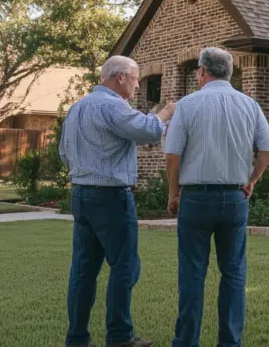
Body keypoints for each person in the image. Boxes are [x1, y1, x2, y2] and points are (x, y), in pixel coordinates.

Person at [60, 56, 176, 347]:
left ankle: (77, 338)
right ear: (121, 77)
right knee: (125, 266)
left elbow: (64, 153)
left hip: (81, 195)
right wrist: (166, 112)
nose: (137, 85)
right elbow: (148, 130)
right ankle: (120, 337)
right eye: (136, 79)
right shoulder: (113, 106)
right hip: (111, 197)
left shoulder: (77, 108)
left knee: (83, 270)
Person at [164, 47, 269, 347]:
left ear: (202, 72)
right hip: (234, 197)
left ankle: (186, 341)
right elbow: (267, 150)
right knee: (234, 272)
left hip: (196, 198)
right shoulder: (250, 105)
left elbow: (172, 155)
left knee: (192, 273)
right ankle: (230, 342)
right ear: (229, 72)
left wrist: (173, 193)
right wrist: (252, 180)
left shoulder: (187, 105)